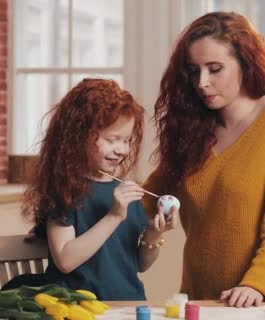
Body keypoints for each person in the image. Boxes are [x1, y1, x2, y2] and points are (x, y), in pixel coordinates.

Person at [142, 12, 265, 308]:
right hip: (200, 301)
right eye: (194, 71)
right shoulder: (191, 132)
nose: (202, 82)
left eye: (215, 69)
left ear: (245, 64)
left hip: (262, 303)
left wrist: (256, 284)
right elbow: (146, 198)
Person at [20, 78, 178, 301]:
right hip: (79, 309)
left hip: (128, 306)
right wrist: (113, 216)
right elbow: (65, 260)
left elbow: (141, 264)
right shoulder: (65, 189)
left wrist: (154, 234)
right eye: (112, 139)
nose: (122, 149)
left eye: (127, 140)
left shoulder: (125, 193)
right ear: (78, 135)